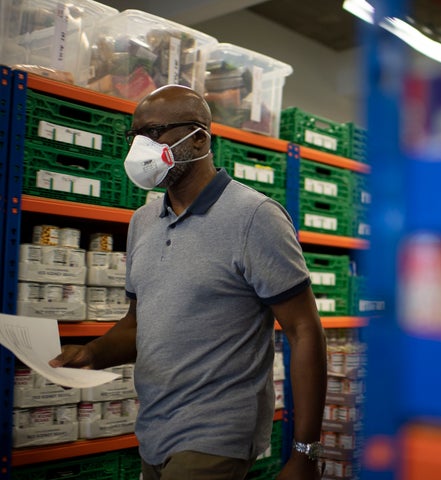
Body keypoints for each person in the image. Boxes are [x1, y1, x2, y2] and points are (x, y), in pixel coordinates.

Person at [50, 85, 328, 480]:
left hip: (217, 433)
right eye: (135, 135)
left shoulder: (255, 217)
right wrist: (91, 355)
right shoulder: (142, 222)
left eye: (154, 132)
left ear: (199, 138)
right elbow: (138, 325)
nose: (140, 146)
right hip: (154, 426)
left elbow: (304, 330)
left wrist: (305, 452)